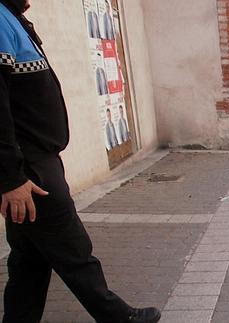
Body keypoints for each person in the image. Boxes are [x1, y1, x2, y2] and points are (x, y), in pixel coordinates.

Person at [0, 1, 161, 322]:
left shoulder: (12, 18)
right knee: (74, 252)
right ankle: (118, 317)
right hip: (30, 169)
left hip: (37, 161)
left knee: (29, 260)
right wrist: (10, 179)